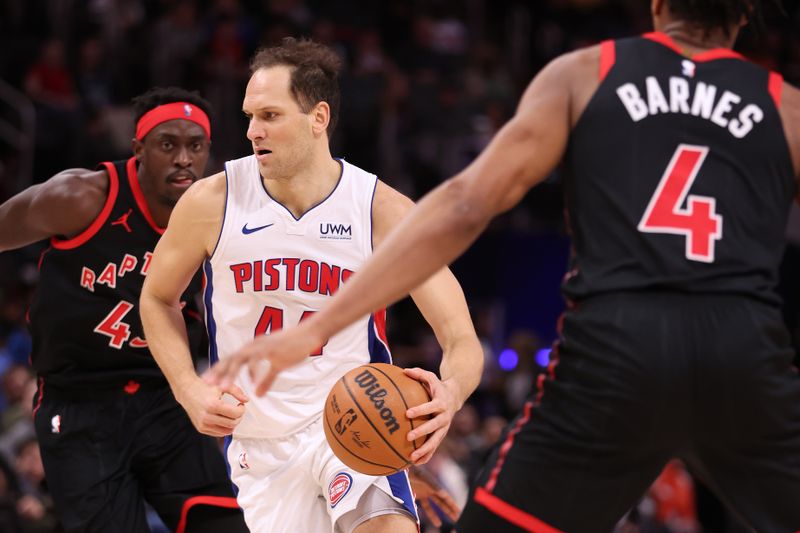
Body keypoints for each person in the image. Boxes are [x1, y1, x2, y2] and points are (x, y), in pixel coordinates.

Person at [206, 1, 800, 532]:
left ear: (656, 4)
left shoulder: (587, 73)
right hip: (742, 348)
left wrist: (316, 326)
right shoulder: (786, 106)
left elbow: (467, 204)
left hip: (619, 348)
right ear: (745, 15)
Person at [139, 38, 484, 533]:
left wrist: (450, 394)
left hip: (353, 420)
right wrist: (188, 389)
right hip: (259, 443)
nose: (253, 130)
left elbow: (461, 339)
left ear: (318, 117)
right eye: (250, 116)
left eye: (271, 116)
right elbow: (156, 298)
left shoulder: (380, 211)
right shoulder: (212, 201)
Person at [0, 87, 249, 533]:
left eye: (196, 146)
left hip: (164, 396)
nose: (183, 159)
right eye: (167, 144)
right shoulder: (80, 197)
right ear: (138, 149)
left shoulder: (221, 216)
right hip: (77, 402)